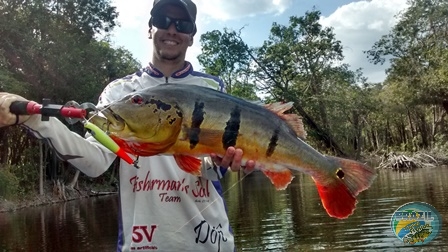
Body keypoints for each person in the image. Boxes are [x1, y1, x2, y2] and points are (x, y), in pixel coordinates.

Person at [0, 0, 255, 251]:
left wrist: (225, 162)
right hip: (141, 245)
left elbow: (210, 170)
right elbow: (96, 162)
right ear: (149, 28)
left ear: (191, 36)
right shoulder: (119, 93)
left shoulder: (212, 88)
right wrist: (36, 119)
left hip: (210, 244)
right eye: (162, 20)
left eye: (182, 24)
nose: (172, 29)